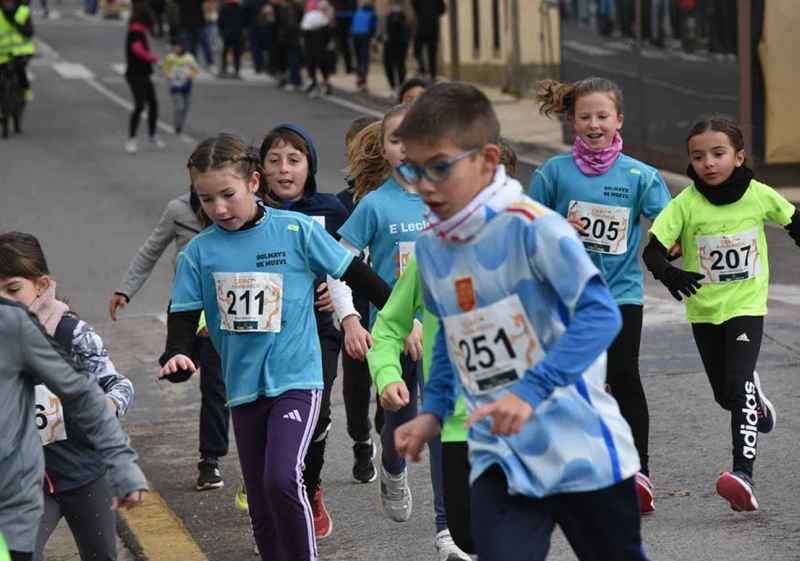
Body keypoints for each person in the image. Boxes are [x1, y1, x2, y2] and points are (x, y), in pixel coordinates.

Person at [393, 82, 645, 561]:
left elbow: (600, 315)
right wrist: (435, 410)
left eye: (440, 167)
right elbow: (451, 331)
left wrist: (529, 391)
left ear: (488, 160)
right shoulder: (430, 248)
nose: (425, 184)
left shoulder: (534, 227)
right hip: (499, 455)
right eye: (413, 169)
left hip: (579, 448)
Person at [159, 133, 390, 561]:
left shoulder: (296, 230)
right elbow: (184, 315)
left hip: (298, 377)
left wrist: (401, 315)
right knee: (261, 505)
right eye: (206, 200)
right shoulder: (199, 252)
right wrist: (177, 352)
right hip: (243, 387)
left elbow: (356, 274)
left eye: (227, 194)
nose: (219, 209)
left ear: (253, 181)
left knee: (282, 478)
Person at [528, 77, 672, 514]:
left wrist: (673, 243)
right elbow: (525, 228)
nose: (594, 124)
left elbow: (668, 224)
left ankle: (638, 473)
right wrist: (556, 228)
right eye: (585, 116)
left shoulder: (639, 175)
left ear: (618, 120)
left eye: (602, 116)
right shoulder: (552, 173)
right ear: (572, 121)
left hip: (620, 295)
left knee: (624, 377)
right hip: (565, 297)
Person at [642, 116, 795, 512]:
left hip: (746, 306)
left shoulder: (758, 194)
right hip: (704, 311)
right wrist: (670, 273)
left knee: (738, 379)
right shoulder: (685, 205)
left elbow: (793, 221)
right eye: (698, 156)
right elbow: (653, 251)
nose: (708, 162)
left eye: (718, 153)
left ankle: (742, 475)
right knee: (726, 395)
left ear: (739, 156)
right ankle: (754, 404)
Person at [259, 123, 383, 537]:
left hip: (318, 330)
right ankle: (272, 488)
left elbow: (352, 262)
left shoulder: (330, 209)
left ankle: (308, 488)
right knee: (265, 415)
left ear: (309, 166)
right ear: (260, 170)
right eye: (274, 160)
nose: (283, 169)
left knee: (317, 410)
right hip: (264, 334)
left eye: (294, 159)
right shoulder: (253, 213)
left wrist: (339, 295)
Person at [0, 233, 136, 561]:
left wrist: (103, 406)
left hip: (84, 472)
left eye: (12, 290)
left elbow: (120, 385)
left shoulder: (72, 334)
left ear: (42, 285)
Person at [335, 104, 439, 528]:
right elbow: (338, 266)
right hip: (393, 334)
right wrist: (351, 319)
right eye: (398, 139)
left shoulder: (450, 197)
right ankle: (393, 471)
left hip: (447, 330)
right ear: (384, 148)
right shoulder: (375, 206)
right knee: (403, 417)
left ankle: (452, 522)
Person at [109, 185, 230, 491]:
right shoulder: (178, 210)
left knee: (215, 385)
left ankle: (209, 460)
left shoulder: (245, 207)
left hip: (225, 307)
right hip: (187, 306)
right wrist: (125, 289)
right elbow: (150, 250)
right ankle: (178, 360)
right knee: (181, 371)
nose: (218, 206)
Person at [367, 255, 472, 561]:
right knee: (470, 535)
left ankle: (447, 532)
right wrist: (387, 376)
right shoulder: (433, 255)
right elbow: (387, 327)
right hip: (455, 421)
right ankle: (450, 531)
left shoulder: (535, 241)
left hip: (521, 424)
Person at [336, 116, 382, 484]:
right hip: (352, 310)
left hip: (390, 310)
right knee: (355, 385)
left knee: (394, 389)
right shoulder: (340, 205)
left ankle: (385, 426)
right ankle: (361, 439)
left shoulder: (401, 202)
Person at [124, 2, 164, 154]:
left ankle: (152, 135)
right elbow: (137, 49)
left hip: (144, 74)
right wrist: (154, 60)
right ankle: (132, 139)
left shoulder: (138, 30)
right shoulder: (135, 32)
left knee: (153, 103)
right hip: (135, 74)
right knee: (139, 105)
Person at [163, 39, 199, 136]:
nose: (176, 48)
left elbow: (196, 70)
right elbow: (166, 68)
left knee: (186, 107)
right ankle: (177, 126)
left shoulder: (189, 58)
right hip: (175, 86)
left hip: (186, 85)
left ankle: (181, 123)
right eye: (175, 46)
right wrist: (169, 75)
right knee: (179, 106)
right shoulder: (170, 58)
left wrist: (189, 75)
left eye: (178, 46)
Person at [0, 0, 34, 103]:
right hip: (2, 53)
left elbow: (29, 32)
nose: (8, 3)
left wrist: (18, 24)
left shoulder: (22, 11)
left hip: (21, 51)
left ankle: (26, 89)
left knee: (19, 69)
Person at [300, 0, 334, 96]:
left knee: (315, 63)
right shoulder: (321, 16)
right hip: (318, 40)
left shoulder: (310, 16)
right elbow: (328, 31)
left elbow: (304, 32)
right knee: (320, 63)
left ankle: (316, 84)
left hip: (313, 41)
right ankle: (322, 84)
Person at [410, 0, 444, 80]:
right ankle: (432, 74)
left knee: (417, 50)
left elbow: (415, 7)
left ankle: (422, 70)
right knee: (432, 53)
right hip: (433, 28)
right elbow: (442, 10)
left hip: (421, 27)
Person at [381, 0, 409, 95]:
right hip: (390, 41)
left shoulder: (404, 6)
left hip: (400, 41)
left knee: (399, 64)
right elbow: (383, 23)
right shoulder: (387, 6)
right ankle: (394, 86)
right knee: (388, 64)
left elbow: (409, 21)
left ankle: (400, 86)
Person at [349, 0, 376, 92]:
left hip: (355, 36)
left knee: (358, 58)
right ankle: (363, 81)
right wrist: (373, 38)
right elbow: (373, 27)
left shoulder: (357, 12)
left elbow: (352, 26)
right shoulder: (371, 14)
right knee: (364, 59)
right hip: (365, 37)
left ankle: (359, 78)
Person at [217, 0, 244, 78]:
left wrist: (221, 32)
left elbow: (220, 21)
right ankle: (236, 70)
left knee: (225, 52)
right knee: (237, 53)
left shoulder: (224, 8)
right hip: (238, 34)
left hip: (227, 34)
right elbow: (245, 20)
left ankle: (223, 69)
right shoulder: (240, 8)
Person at [330, 0, 354, 73]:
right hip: (345, 23)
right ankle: (348, 68)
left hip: (336, 23)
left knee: (335, 46)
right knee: (344, 46)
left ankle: (333, 68)